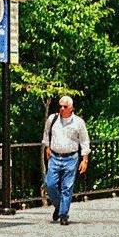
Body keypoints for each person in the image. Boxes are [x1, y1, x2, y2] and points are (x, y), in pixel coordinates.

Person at [41, 94, 90, 225]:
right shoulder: (53, 119)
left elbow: (85, 141)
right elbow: (47, 133)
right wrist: (47, 147)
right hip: (55, 156)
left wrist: (84, 159)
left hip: (71, 157)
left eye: (65, 106)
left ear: (71, 108)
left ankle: (63, 214)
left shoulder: (78, 122)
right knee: (50, 184)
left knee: (67, 187)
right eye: (60, 106)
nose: (62, 108)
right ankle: (58, 206)